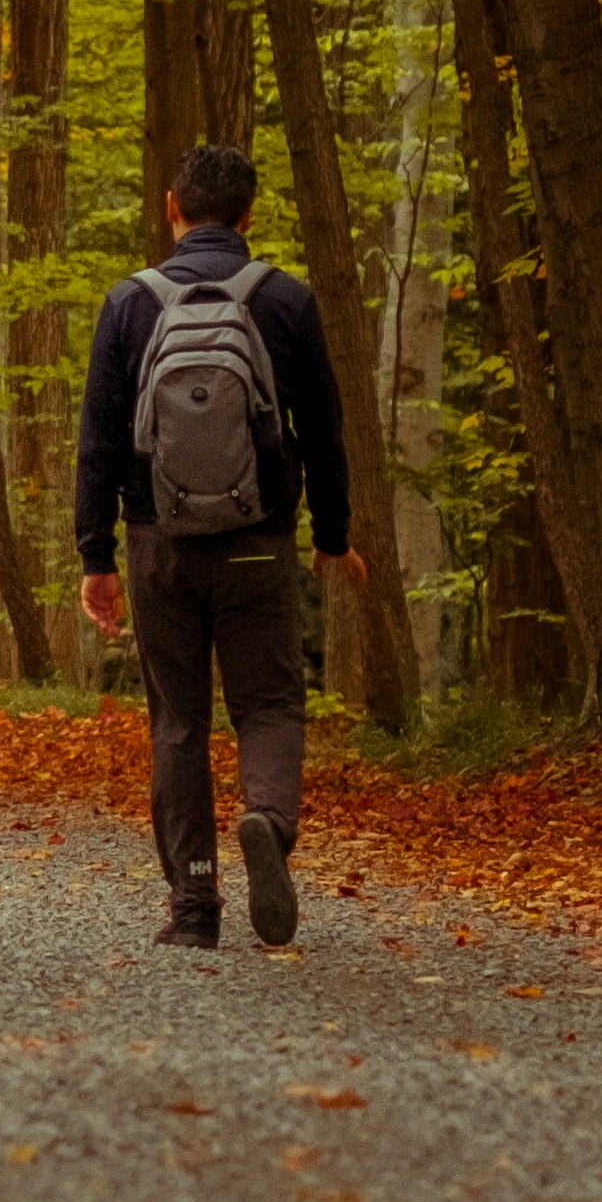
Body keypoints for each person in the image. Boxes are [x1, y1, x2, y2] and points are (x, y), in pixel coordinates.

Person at [72, 141, 367, 952]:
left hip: (157, 540)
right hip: (257, 540)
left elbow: (98, 439)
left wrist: (93, 555)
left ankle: (194, 904)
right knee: (267, 703)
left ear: (171, 206)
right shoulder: (285, 300)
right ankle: (266, 819)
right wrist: (331, 535)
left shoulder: (129, 303)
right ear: (248, 214)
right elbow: (323, 428)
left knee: (177, 720)